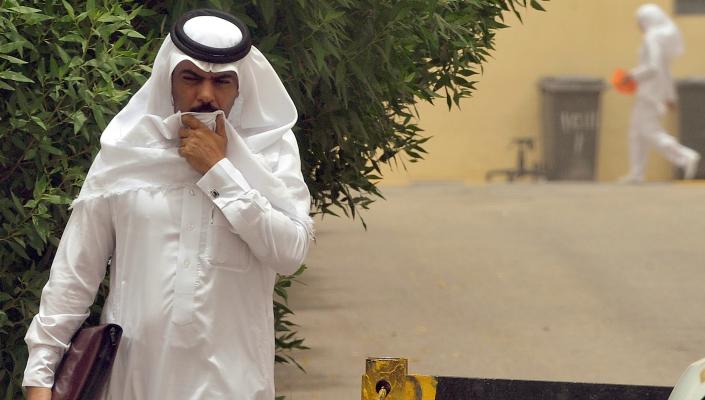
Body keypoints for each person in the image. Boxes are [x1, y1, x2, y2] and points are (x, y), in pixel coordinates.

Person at [23, 9, 313, 400]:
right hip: (134, 383)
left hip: (234, 386)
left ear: (241, 87)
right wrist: (40, 373)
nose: (206, 94)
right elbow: (76, 273)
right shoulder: (126, 154)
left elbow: (290, 252)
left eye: (222, 81)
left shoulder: (271, 155)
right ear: (168, 80)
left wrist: (220, 172)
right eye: (191, 77)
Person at [619, 3, 700, 183]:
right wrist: (670, 97)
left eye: (639, 21)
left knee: (649, 132)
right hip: (653, 93)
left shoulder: (652, 38)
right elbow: (665, 70)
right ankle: (636, 173)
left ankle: (685, 156)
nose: (638, 25)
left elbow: (654, 67)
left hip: (649, 94)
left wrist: (631, 76)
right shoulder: (659, 39)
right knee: (636, 133)